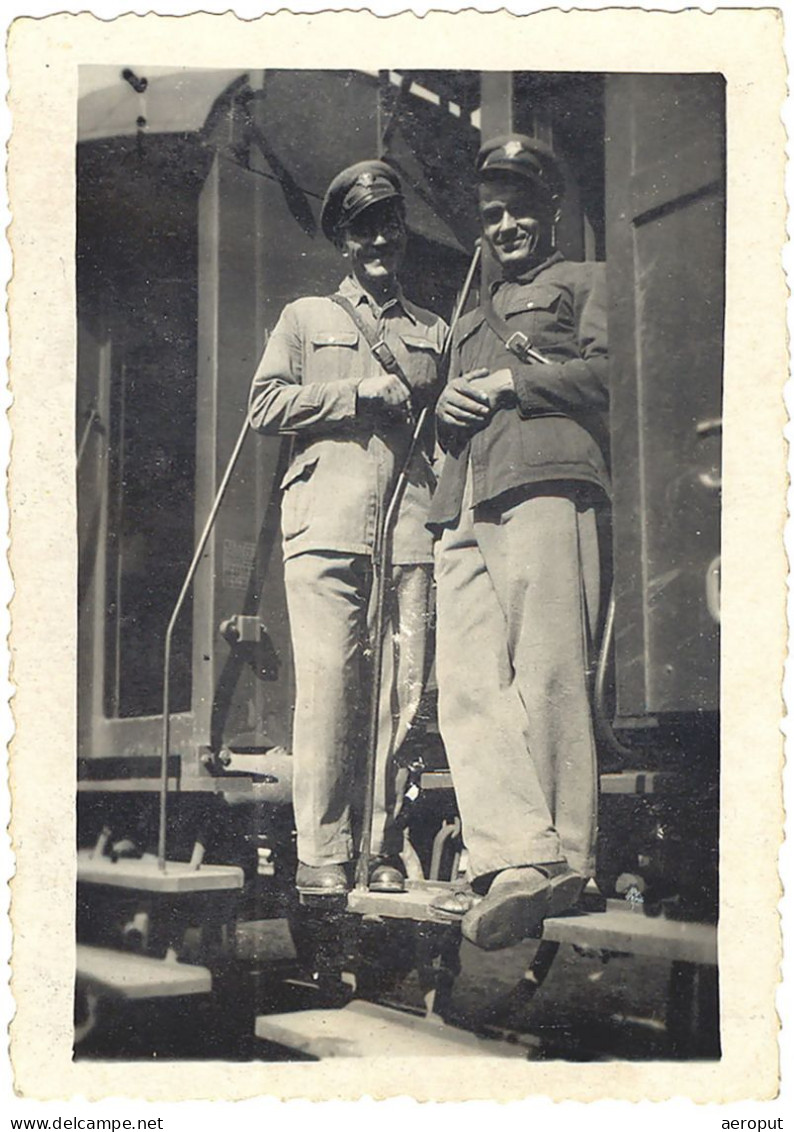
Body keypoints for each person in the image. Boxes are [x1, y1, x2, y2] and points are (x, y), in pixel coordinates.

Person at [428, 135, 610, 949]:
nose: (505, 225)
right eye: (492, 213)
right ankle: (514, 859)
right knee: (465, 684)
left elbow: (611, 375)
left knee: (547, 668)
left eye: (519, 209)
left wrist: (510, 382)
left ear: (551, 210)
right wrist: (446, 410)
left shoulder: (585, 282)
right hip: (463, 499)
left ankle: (567, 858)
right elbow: (453, 405)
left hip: (542, 479)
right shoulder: (468, 322)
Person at [249, 160, 445, 896]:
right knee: (331, 688)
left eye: (388, 224)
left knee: (403, 694)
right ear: (345, 242)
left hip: (410, 528)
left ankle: (383, 847)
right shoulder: (307, 318)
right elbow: (265, 406)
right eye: (363, 229)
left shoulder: (434, 330)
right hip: (324, 526)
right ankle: (324, 853)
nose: (379, 240)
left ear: (401, 232)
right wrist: (357, 392)